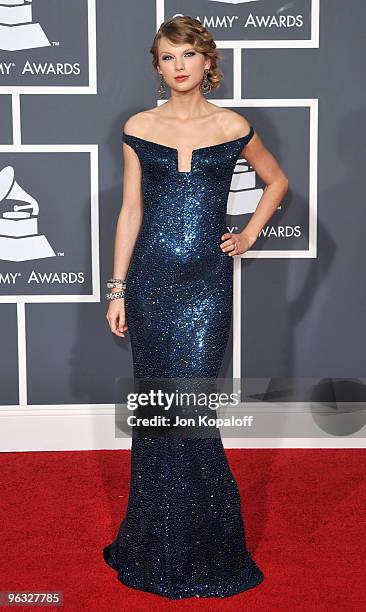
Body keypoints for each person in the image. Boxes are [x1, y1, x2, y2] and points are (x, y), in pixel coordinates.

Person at [103, 15, 288, 599]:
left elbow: (276, 181)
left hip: (207, 287)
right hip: (152, 282)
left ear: (208, 61)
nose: (178, 66)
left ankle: (206, 549)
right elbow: (131, 210)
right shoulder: (138, 126)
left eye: (188, 55)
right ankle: (151, 541)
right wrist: (117, 287)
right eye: (167, 57)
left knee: (194, 410)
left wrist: (251, 232)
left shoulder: (233, 125)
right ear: (157, 67)